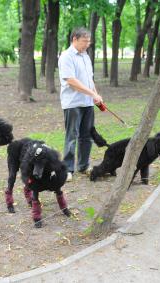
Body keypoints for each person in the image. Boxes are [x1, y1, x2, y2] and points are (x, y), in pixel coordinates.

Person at [58, 27, 103, 182]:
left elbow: (89, 80)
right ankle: (68, 169)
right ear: (74, 39)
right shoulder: (66, 56)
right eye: (84, 41)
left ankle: (83, 165)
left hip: (87, 103)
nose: (87, 44)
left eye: (89, 41)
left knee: (86, 136)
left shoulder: (85, 56)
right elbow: (71, 81)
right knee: (72, 136)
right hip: (73, 103)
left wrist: (95, 95)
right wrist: (92, 94)